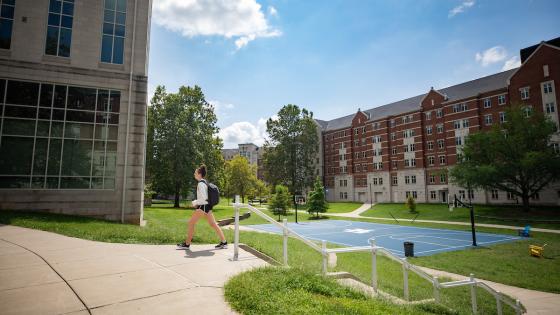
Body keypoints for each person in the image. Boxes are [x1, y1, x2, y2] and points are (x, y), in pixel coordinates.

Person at [177, 164, 227, 250]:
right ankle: (224, 242)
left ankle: (187, 244)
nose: (194, 174)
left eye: (195, 172)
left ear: (199, 174)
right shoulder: (204, 182)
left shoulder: (201, 183)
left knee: (191, 223)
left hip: (203, 207)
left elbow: (204, 198)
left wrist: (194, 202)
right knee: (213, 224)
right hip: (208, 207)